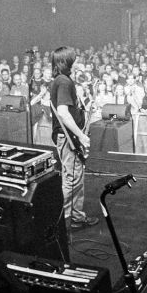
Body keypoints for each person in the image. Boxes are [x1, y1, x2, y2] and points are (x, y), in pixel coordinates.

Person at [50, 46, 98, 231]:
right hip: (69, 137)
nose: (78, 62)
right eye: (75, 59)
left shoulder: (62, 80)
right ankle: (64, 221)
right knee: (71, 179)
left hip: (70, 137)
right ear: (66, 62)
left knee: (76, 177)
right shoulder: (63, 82)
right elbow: (62, 113)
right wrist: (81, 136)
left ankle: (77, 217)